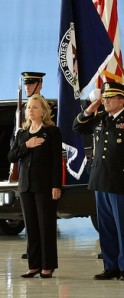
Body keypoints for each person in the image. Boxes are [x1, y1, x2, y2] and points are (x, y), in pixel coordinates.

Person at [73, 82, 124, 280]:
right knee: (106, 226)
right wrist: (89, 110)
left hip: (119, 180)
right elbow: (77, 127)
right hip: (100, 179)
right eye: (105, 97)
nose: (106, 101)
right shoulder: (100, 118)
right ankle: (110, 267)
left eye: (110, 98)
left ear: (121, 100)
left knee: (121, 226)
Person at [8, 94, 62, 278]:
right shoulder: (22, 134)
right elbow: (12, 156)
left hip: (45, 185)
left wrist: (56, 185)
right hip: (26, 185)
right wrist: (27, 145)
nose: (30, 110)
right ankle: (34, 264)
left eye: (34, 107)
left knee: (46, 225)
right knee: (31, 226)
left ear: (43, 111)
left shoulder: (52, 132)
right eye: (28, 107)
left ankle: (48, 265)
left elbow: (56, 160)